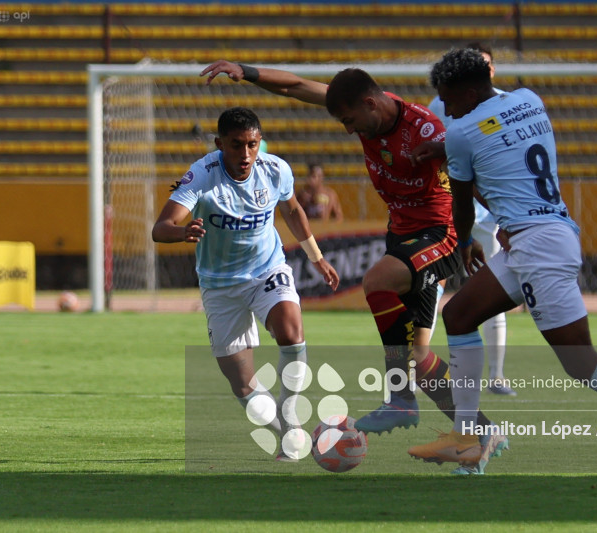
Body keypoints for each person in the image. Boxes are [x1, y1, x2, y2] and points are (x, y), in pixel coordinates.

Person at [407, 48, 597, 480]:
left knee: (580, 361)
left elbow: (462, 202)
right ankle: (470, 438)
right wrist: (445, 148)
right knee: (458, 315)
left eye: (450, 100)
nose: (448, 110)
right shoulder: (529, 99)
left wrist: (463, 245)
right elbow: (496, 139)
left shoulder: (461, 133)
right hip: (543, 234)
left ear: (470, 90)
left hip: (538, 248)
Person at [201, 60, 508, 475]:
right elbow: (295, 84)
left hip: (440, 236)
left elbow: (473, 175)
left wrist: (506, 225)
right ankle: (479, 431)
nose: (348, 130)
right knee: (418, 358)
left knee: (376, 280)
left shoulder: (425, 130)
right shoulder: (367, 116)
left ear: (369, 104)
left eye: (349, 120)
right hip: (403, 237)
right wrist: (247, 71)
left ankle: (398, 399)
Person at [152, 107, 340, 461]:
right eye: (237, 146)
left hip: (266, 269)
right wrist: (182, 232)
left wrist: (316, 257)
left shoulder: (274, 169)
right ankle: (288, 431)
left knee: (291, 331)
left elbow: (293, 210)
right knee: (242, 385)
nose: (246, 154)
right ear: (220, 144)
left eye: (253, 144)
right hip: (220, 286)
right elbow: (159, 228)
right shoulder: (201, 175)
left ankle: (289, 410)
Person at [426, 42, 515, 396]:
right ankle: (421, 365)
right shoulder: (440, 104)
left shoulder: (510, 103)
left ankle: (497, 376)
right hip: (450, 208)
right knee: (432, 288)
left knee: (490, 291)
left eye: (488, 64)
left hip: (490, 214)